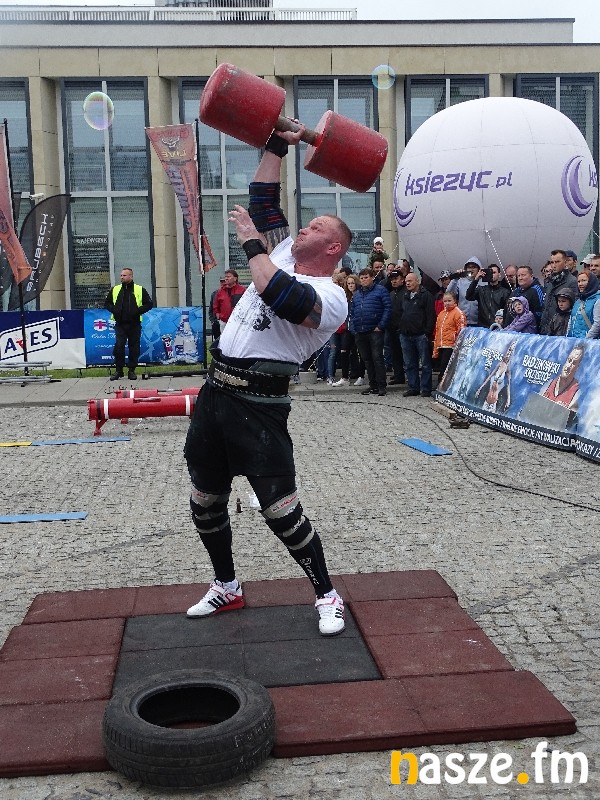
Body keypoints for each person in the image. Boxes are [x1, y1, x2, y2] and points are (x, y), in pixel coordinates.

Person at [184, 125, 349, 636]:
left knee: (281, 511)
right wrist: (279, 142)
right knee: (204, 499)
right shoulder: (279, 252)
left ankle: (327, 594)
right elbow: (262, 197)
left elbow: (282, 297)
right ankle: (226, 585)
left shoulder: (332, 297)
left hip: (260, 407)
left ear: (334, 247)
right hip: (216, 394)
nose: (303, 229)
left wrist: (253, 244)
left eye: (315, 226)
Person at [104, 267, 153, 381]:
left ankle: (131, 370)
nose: (122, 277)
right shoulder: (115, 289)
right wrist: (115, 310)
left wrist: (137, 311)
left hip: (134, 324)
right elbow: (107, 303)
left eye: (124, 275)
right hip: (120, 323)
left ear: (131, 276)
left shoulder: (139, 289)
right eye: (121, 275)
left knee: (134, 347)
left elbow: (149, 304)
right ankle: (119, 370)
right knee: (119, 346)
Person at [349, 267, 391, 396]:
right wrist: (353, 328)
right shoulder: (357, 294)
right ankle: (373, 385)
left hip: (375, 330)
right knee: (366, 359)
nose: (364, 280)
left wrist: (381, 325)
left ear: (372, 277)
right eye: (361, 278)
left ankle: (381, 385)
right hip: (360, 331)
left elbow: (388, 308)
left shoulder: (381, 290)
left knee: (377, 358)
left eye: (366, 277)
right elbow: (352, 312)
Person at [398, 270, 435, 397]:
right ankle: (413, 387)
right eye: (406, 281)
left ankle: (426, 388)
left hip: (420, 335)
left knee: (425, 364)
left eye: (410, 281)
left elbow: (431, 315)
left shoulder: (426, 295)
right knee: (409, 363)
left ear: (417, 281)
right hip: (405, 334)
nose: (407, 283)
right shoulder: (405, 295)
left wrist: (427, 332)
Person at [539, 250, 578, 335]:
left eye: (557, 262)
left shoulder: (572, 281)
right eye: (552, 262)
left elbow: (573, 308)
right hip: (546, 329)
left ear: (565, 262)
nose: (554, 265)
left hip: (561, 330)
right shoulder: (550, 281)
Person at [432, 291, 466, 384]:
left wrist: (457, 345)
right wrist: (435, 349)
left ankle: (444, 386)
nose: (447, 303)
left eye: (449, 301)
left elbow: (462, 331)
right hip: (441, 345)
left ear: (455, 301)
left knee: (446, 369)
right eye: (445, 301)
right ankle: (442, 386)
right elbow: (438, 331)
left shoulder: (458, 313)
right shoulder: (441, 314)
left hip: (451, 346)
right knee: (442, 368)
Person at [474, 340, 516, 413]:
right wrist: (480, 389)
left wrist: (508, 399)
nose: (509, 353)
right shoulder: (499, 364)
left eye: (511, 352)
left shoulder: (508, 369)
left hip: (494, 402)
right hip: (487, 400)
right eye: (509, 350)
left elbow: (508, 386)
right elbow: (490, 376)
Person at [465, 263, 510, 328]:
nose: (492, 275)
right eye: (490, 273)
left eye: (494, 272)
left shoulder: (505, 292)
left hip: (497, 327)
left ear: (499, 274)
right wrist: (476, 279)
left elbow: (507, 312)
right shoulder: (481, 289)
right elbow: (468, 296)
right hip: (482, 327)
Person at [541, 343, 584, 411]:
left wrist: (561, 411)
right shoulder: (549, 384)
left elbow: (571, 416)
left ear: (577, 367)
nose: (568, 366)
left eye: (574, 363)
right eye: (569, 360)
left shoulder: (576, 392)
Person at [503, 265, 544, 331]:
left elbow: (541, 312)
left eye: (523, 275)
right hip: (509, 332)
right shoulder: (515, 291)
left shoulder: (537, 290)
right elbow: (506, 310)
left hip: (527, 334)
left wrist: (526, 320)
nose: (520, 278)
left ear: (531, 276)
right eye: (518, 276)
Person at [567, 271, 600, 339]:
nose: (580, 284)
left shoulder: (597, 300)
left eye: (583, 280)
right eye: (578, 281)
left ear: (591, 282)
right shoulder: (578, 301)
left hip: (588, 343)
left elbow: (597, 324)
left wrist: (585, 340)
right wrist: (567, 338)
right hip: (573, 341)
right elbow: (570, 322)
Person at [447, 259, 480, 326]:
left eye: (474, 267)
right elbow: (448, 294)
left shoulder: (484, 283)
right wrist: (455, 278)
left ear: (478, 269)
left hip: (479, 322)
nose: (471, 269)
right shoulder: (460, 281)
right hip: (462, 321)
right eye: (469, 267)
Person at [213, 269, 246, 333]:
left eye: (229, 276)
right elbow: (215, 305)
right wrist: (218, 316)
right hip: (224, 321)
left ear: (235, 278)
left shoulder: (242, 290)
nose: (226, 278)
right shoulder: (220, 291)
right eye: (226, 277)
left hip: (238, 322)